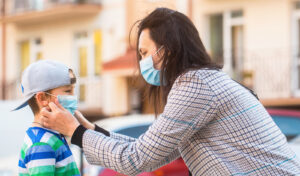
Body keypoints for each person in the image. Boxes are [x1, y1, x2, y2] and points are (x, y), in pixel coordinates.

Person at [41, 8, 300, 175]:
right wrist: (91, 131)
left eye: (144, 53)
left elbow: (136, 159)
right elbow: (152, 152)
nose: (141, 62)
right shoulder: (206, 81)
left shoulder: (195, 86)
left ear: (165, 50)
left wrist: (74, 133)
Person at [15, 60, 81, 176]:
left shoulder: (50, 136)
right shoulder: (41, 145)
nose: (73, 96)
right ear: (42, 98)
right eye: (68, 91)